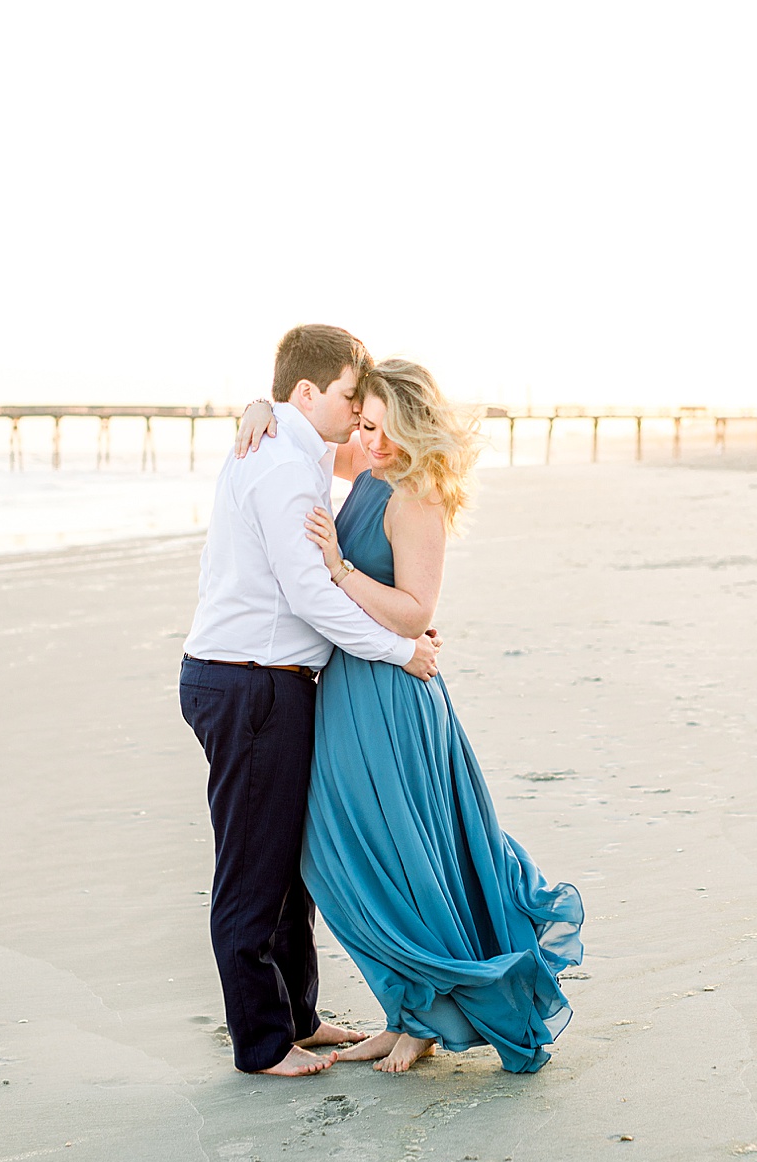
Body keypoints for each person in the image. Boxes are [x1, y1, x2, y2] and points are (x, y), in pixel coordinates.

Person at [234, 358, 583, 1074]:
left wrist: (338, 569)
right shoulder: (367, 470)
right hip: (347, 694)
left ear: (414, 425)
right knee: (335, 856)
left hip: (392, 696)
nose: (371, 440)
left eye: (384, 429)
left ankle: (424, 1017)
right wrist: (258, 409)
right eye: (365, 426)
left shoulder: (417, 494)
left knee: (402, 855)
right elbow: (302, 438)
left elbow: (416, 610)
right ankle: (403, 1009)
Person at [180, 324, 440, 1079]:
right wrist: (401, 650)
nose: (359, 408)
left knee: (288, 865)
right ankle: (262, 1044)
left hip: (261, 678)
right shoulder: (284, 467)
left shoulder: (294, 447)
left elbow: (369, 452)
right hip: (251, 679)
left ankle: (299, 1013)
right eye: (350, 394)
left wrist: (256, 403)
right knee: (254, 869)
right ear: (308, 395)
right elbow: (311, 593)